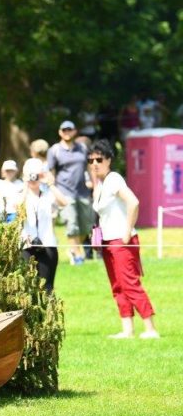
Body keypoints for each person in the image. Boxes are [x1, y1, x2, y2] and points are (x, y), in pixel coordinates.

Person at [89, 140, 159, 339]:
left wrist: (127, 231)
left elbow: (133, 202)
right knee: (117, 286)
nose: (94, 163)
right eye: (91, 160)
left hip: (122, 241)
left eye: (99, 159)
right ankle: (127, 329)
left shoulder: (114, 179)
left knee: (129, 284)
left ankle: (150, 329)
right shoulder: (101, 183)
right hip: (108, 241)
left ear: (109, 160)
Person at [46, 121, 93, 265]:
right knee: (72, 224)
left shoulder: (82, 148)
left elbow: (89, 166)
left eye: (69, 130)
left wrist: (92, 182)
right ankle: (77, 255)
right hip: (65, 192)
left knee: (87, 226)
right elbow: (50, 171)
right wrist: (52, 188)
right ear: (60, 132)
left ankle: (74, 249)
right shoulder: (55, 150)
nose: (67, 132)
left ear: (74, 131)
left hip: (83, 192)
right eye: (64, 130)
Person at [21, 158, 70, 294]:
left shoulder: (47, 193)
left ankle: (48, 314)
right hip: (26, 244)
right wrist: (25, 184)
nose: (33, 179)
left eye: (36, 175)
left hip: (48, 243)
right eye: (30, 175)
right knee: (28, 287)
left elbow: (64, 202)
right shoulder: (22, 193)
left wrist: (50, 184)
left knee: (47, 288)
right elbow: (16, 206)